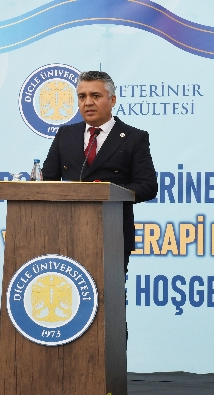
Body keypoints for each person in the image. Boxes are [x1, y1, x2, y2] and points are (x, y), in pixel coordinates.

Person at [42, 71, 157, 274]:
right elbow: (48, 180)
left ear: (112, 100)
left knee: (108, 292)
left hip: (112, 233)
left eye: (95, 96)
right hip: (66, 232)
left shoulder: (133, 138)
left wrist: (107, 192)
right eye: (82, 96)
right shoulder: (65, 135)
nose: (88, 102)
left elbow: (147, 186)